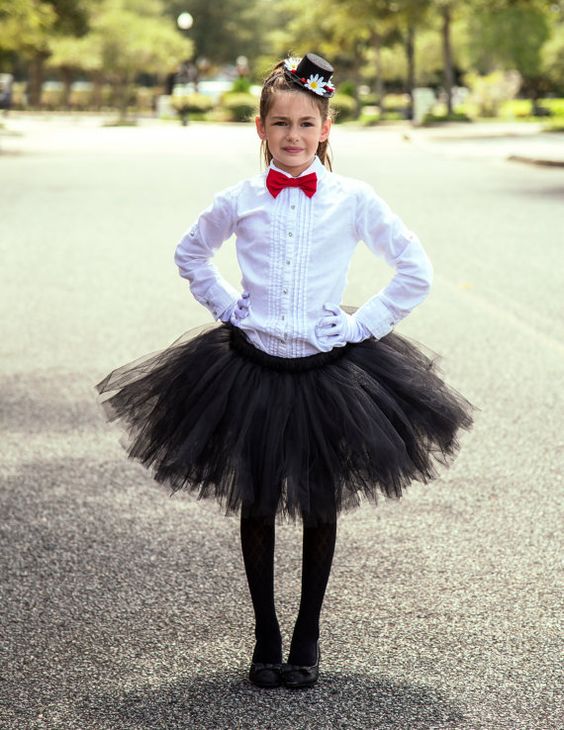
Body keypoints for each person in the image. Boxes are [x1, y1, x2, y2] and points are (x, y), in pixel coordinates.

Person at [96, 53, 473, 690]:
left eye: (306, 122)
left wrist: (360, 325)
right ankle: (265, 633)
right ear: (260, 128)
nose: (293, 135)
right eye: (280, 123)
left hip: (329, 372)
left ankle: (308, 634)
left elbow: (416, 271)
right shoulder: (239, 199)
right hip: (250, 369)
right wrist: (227, 307)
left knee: (322, 502)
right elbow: (190, 253)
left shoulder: (354, 200)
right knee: (259, 500)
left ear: (326, 128)